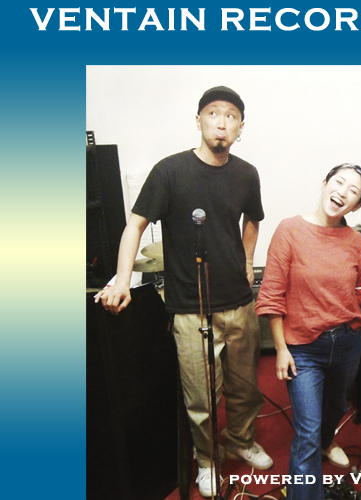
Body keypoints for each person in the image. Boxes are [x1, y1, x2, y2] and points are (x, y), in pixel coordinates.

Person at [94, 86, 273, 498]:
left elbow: (253, 219)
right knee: (201, 397)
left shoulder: (247, 173)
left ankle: (240, 439)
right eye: (213, 113)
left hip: (239, 303)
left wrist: (248, 261)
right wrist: (121, 279)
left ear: (240, 127)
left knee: (246, 387)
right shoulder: (170, 171)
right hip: (191, 307)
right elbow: (135, 224)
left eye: (231, 116)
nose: (221, 122)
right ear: (199, 120)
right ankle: (207, 460)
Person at [255, 164, 361, 500]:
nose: (342, 192)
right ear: (325, 183)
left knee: (336, 408)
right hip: (303, 348)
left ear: (357, 206)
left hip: (347, 343)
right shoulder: (289, 230)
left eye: (353, 191)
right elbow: (271, 294)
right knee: (307, 431)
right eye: (339, 182)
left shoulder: (356, 242)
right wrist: (281, 349)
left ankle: (326, 442)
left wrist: (343, 317)